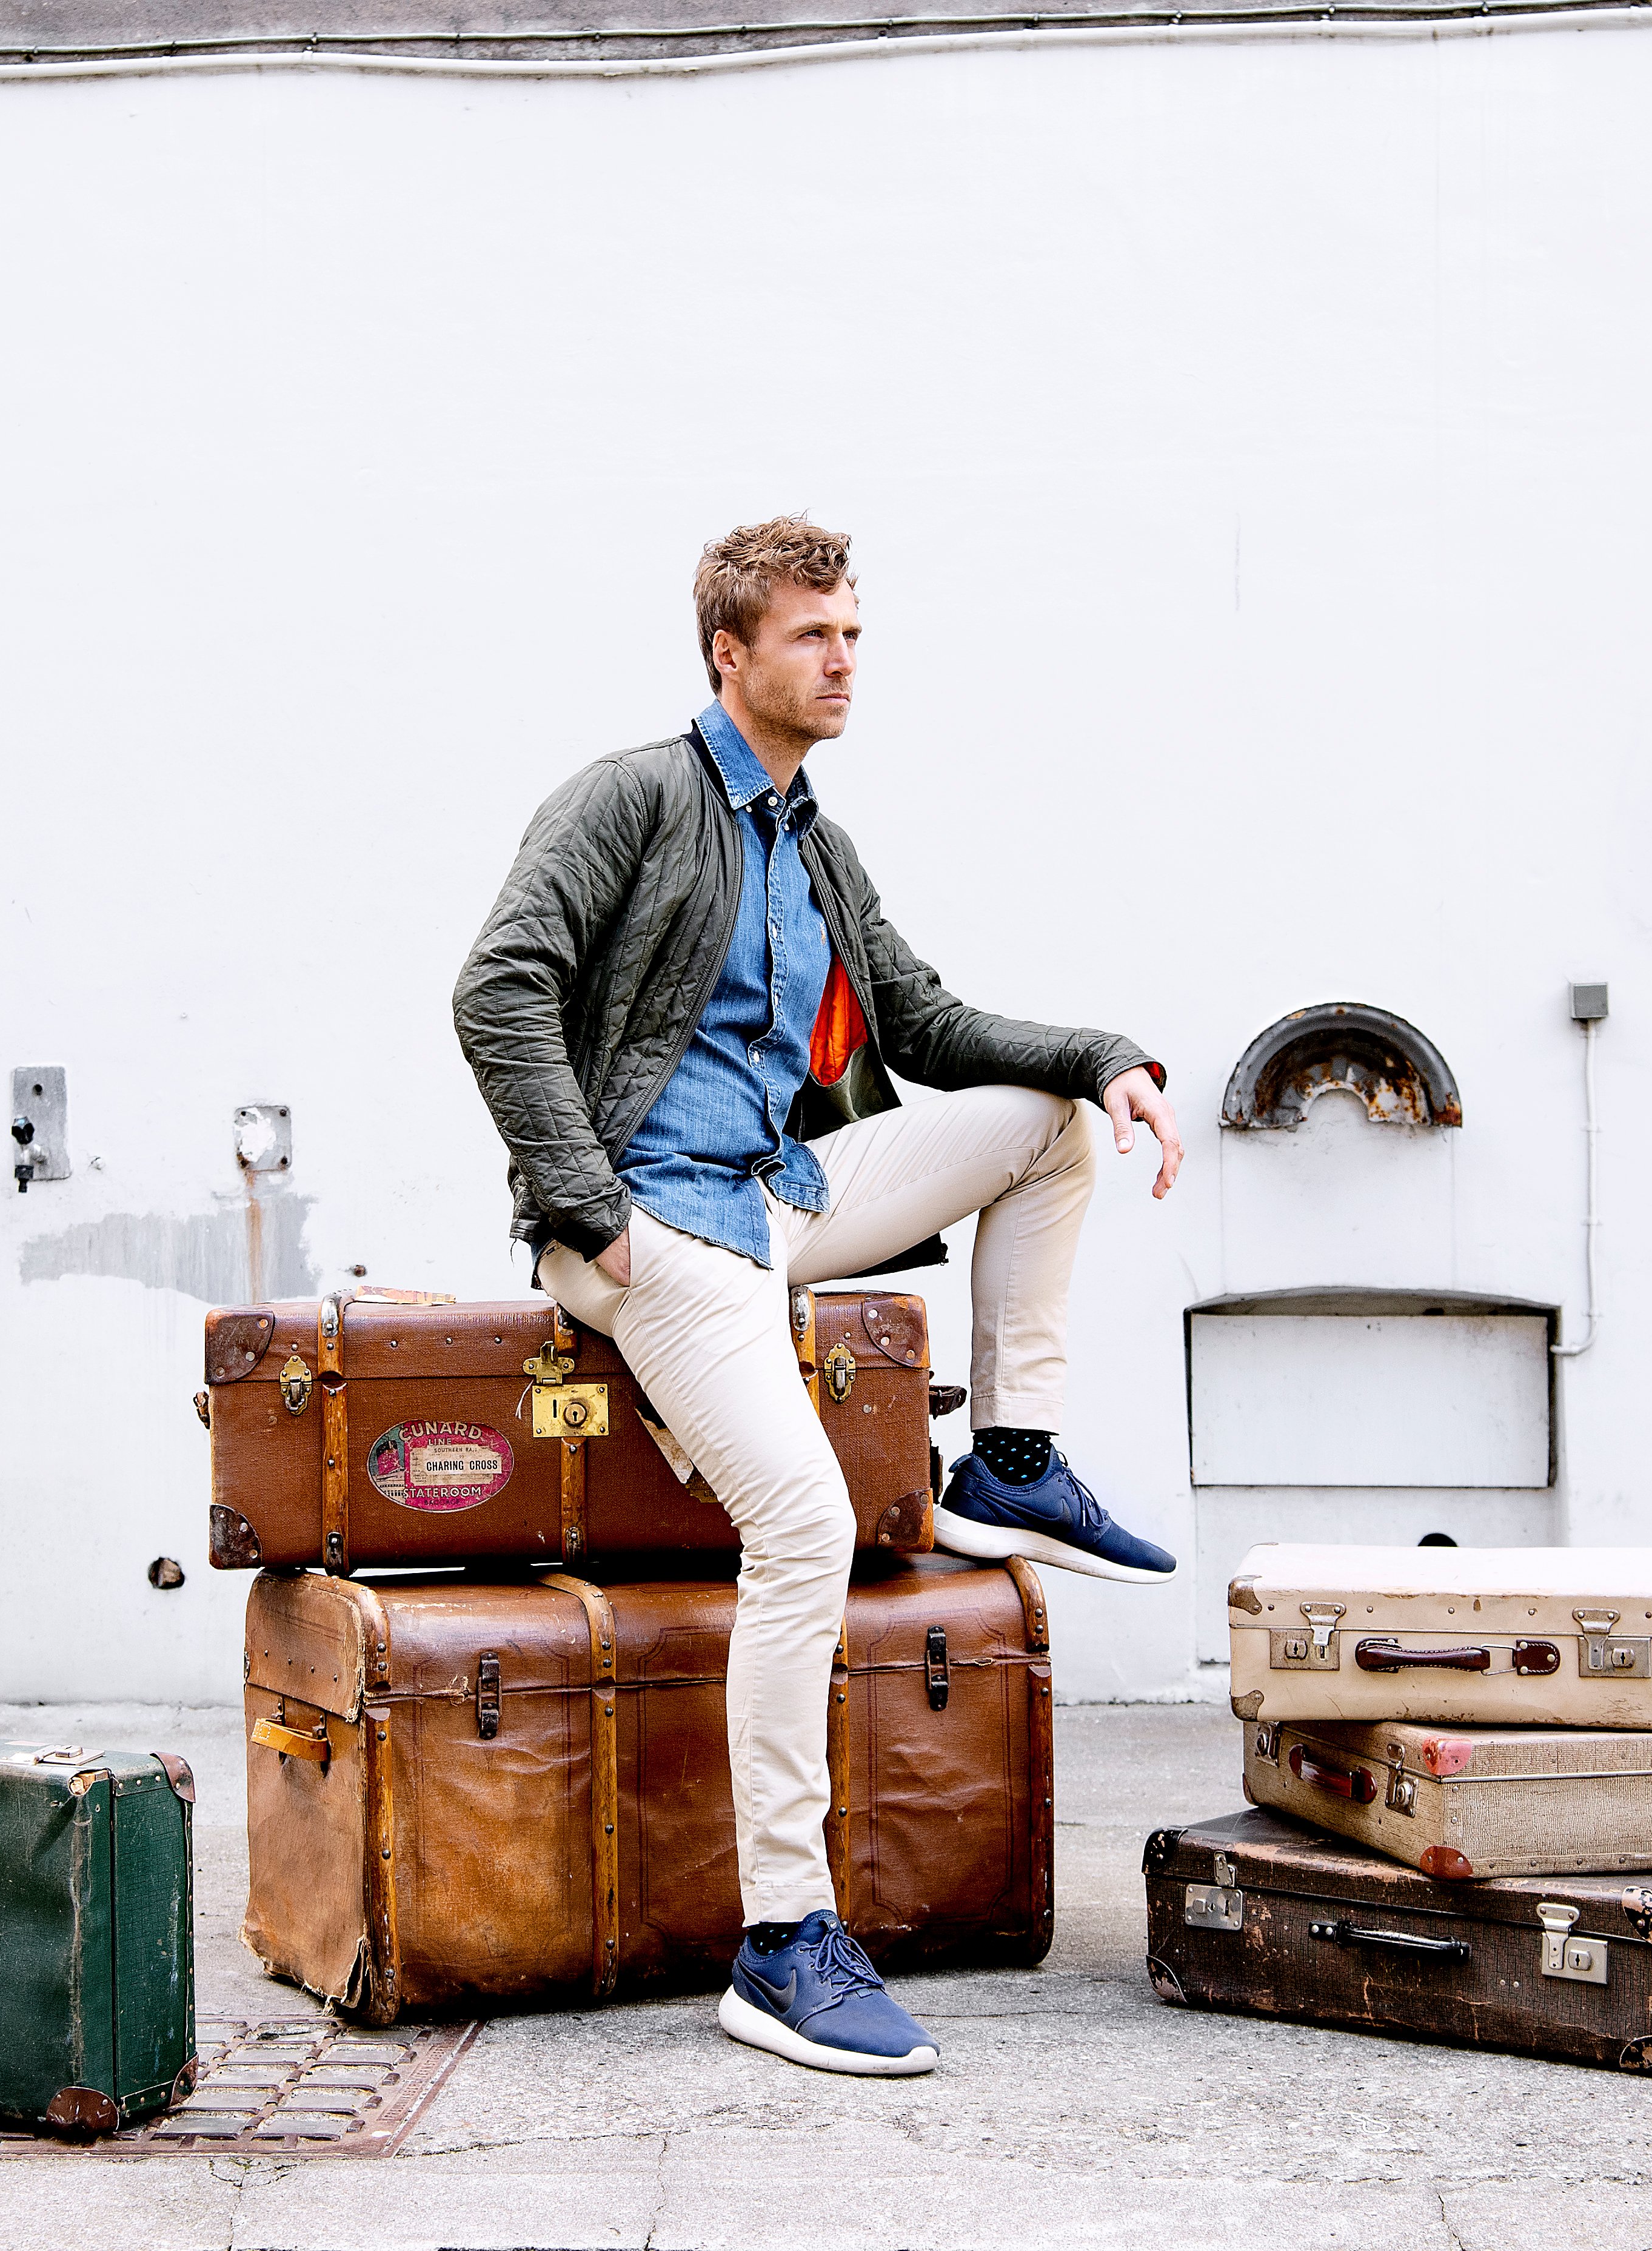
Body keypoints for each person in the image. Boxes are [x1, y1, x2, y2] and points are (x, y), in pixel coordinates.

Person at [451, 515, 1180, 2078]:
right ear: (731, 652)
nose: (846, 661)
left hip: (779, 1192)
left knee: (1049, 1131)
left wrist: (1107, 1059)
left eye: (854, 634)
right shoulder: (632, 798)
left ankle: (1014, 1461)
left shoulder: (816, 842)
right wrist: (590, 1212)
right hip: (656, 1221)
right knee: (803, 1527)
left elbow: (923, 1020)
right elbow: (498, 988)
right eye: (812, 636)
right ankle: (784, 1941)